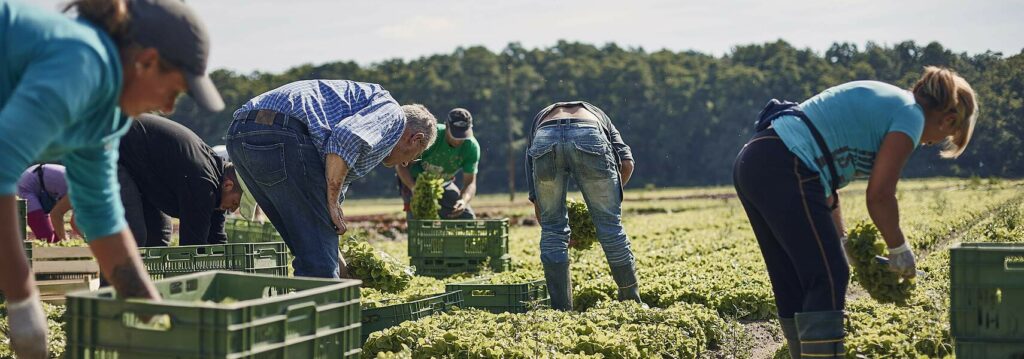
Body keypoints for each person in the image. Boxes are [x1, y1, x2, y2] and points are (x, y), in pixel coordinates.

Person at [0, 0, 222, 357]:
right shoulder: (81, 64)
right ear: (147, 62)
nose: (168, 108)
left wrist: (155, 318)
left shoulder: (109, 116)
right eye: (174, 91)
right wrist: (23, 301)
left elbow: (103, 216)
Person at [732, 67, 978, 358]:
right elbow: (880, 196)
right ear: (948, 119)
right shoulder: (911, 114)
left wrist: (843, 241)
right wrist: (898, 247)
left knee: (795, 278)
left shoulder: (892, 103)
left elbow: (823, 186)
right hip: (785, 163)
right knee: (829, 275)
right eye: (943, 136)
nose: (929, 143)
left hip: (757, 159)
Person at [226, 80, 438, 279]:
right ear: (415, 139)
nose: (405, 164)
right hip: (281, 134)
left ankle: (320, 303)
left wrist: (340, 266)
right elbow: (345, 137)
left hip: (239, 134)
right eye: (415, 156)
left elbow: (319, 219)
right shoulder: (392, 114)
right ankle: (323, 313)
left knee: (305, 244)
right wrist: (333, 204)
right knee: (317, 262)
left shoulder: (367, 110)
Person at [525, 101, 640, 311]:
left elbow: (536, 195)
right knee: (610, 228)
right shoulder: (599, 115)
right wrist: (606, 199)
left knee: (552, 231)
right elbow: (627, 163)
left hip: (545, 135)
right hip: (588, 132)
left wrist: (552, 227)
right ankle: (631, 302)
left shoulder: (540, 120)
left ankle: (561, 310)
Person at [118, 114, 242, 247]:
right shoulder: (203, 184)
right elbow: (192, 246)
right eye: (235, 203)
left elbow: (216, 237)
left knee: (158, 235)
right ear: (228, 185)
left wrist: (224, 265)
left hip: (140, 166)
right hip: (111, 148)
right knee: (134, 236)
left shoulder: (218, 184)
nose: (233, 210)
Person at [396, 108, 481, 219]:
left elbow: (470, 183)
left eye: (463, 135)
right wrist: (414, 188)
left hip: (443, 183)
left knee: (466, 216)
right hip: (414, 181)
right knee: (419, 216)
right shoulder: (430, 136)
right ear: (447, 127)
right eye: (455, 135)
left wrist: (464, 200)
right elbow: (400, 165)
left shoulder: (471, 147)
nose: (459, 140)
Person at [17, 164, 81, 242]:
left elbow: (74, 222)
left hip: (44, 184)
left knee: (56, 238)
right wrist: (64, 240)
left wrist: (88, 240)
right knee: (46, 238)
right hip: (28, 184)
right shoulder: (79, 191)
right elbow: (56, 214)